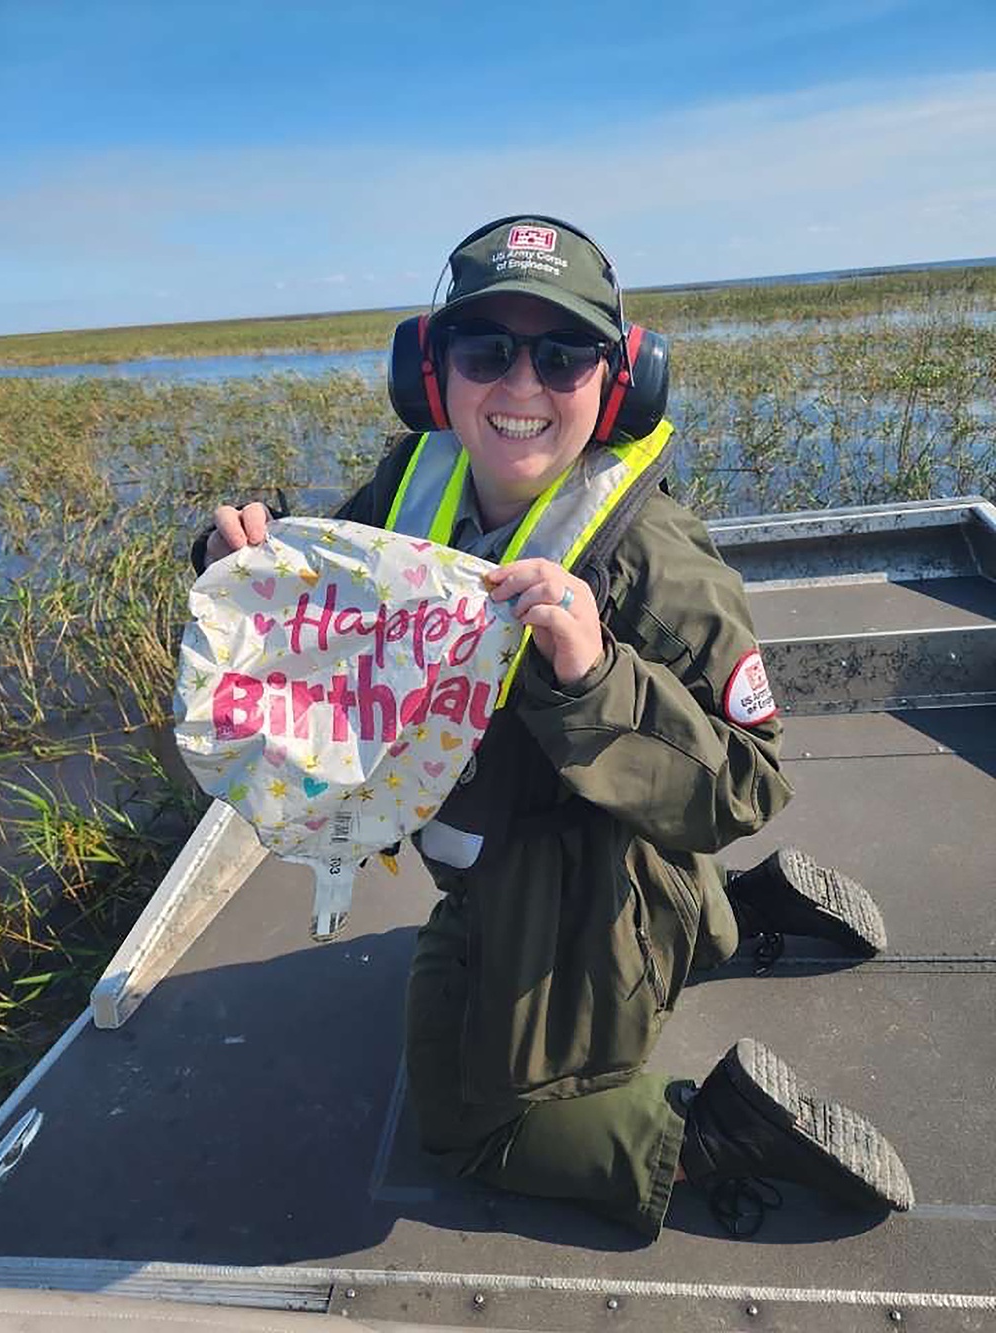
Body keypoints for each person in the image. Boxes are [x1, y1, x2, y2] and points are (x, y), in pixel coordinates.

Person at [193, 215, 912, 1238]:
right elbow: (328, 610)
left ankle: (714, 1131)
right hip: (507, 848)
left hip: (574, 868)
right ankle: (726, 919)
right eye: (486, 350)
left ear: (617, 383)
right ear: (431, 374)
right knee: (454, 959)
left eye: (563, 353)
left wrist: (593, 674)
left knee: (469, 1124)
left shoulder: (652, 560)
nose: (522, 385)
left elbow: (747, 783)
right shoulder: (411, 486)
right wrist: (242, 561)